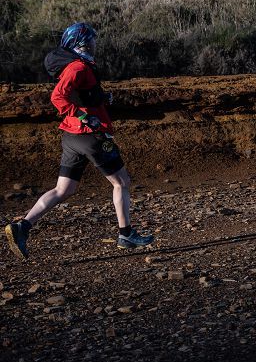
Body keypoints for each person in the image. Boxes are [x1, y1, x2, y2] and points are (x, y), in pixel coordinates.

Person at [5, 23, 154, 261]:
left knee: (63, 189)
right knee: (122, 181)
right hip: (90, 137)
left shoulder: (77, 67)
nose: (96, 43)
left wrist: (100, 99)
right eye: (93, 39)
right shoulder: (78, 67)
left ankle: (22, 227)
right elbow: (58, 96)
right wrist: (86, 117)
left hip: (72, 137)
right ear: (82, 43)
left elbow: (79, 95)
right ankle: (126, 234)